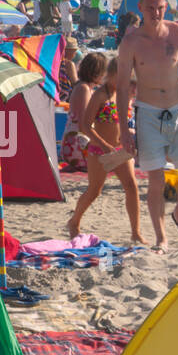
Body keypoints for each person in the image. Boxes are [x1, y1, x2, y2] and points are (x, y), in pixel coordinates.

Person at [116, 0, 178, 252]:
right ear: (140, 8)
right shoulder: (131, 42)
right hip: (147, 113)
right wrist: (124, 129)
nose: (156, 14)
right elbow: (122, 88)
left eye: (160, 8)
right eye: (151, 9)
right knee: (156, 180)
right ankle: (161, 238)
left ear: (165, 6)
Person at [65, 58, 145, 244]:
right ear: (110, 75)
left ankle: (136, 232)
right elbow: (85, 125)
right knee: (94, 190)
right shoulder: (100, 94)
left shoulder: (123, 93)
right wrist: (103, 145)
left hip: (120, 150)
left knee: (132, 188)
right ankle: (74, 222)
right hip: (99, 150)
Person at [60, 51, 105, 171]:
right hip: (77, 144)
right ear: (97, 72)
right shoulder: (83, 89)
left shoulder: (83, 87)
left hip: (75, 142)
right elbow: (84, 124)